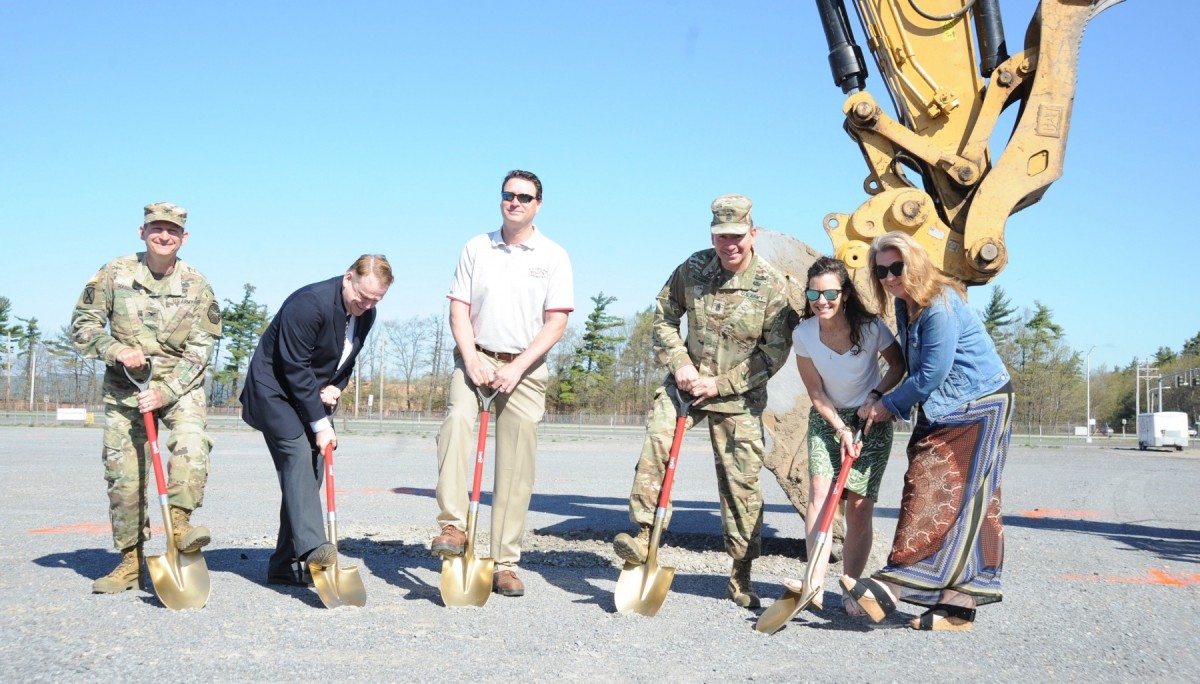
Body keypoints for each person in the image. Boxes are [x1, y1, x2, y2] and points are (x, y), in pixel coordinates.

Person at [612, 194, 794, 609]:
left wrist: (721, 385)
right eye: (721, 237)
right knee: (656, 446)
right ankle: (644, 536)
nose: (729, 245)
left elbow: (774, 353)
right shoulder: (692, 268)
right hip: (685, 385)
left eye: (736, 236)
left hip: (738, 395)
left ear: (753, 234)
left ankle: (741, 573)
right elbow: (664, 316)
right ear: (712, 236)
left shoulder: (772, 287)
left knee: (741, 483)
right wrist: (680, 364)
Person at [843, 231, 1014, 631]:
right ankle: (958, 606)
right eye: (881, 271)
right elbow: (914, 367)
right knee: (967, 501)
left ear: (916, 262)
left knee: (933, 487)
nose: (889, 277)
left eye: (896, 267)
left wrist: (888, 406)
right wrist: (879, 394)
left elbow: (933, 372)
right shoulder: (906, 304)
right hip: (948, 404)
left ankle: (893, 586)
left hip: (979, 403)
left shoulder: (939, 304)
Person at [430, 170, 574, 598]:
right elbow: (458, 310)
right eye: (509, 194)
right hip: (475, 356)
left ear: (538, 205)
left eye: (524, 197)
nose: (515, 202)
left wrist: (517, 367)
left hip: (524, 366)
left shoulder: (553, 255)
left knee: (516, 464)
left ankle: (504, 563)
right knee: (456, 422)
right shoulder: (477, 247)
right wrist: (472, 358)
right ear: (501, 199)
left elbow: (556, 322)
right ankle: (454, 527)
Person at [70, 201, 222, 593]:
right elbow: (83, 326)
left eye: (173, 230)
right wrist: (115, 349)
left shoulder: (197, 285)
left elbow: (201, 350)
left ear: (184, 237)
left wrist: (165, 391)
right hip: (126, 388)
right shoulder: (114, 273)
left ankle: (180, 525)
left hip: (179, 386)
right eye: (157, 228)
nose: (164, 236)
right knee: (124, 477)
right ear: (142, 232)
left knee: (192, 443)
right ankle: (129, 561)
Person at [241, 255, 393, 588]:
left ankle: (283, 564)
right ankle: (314, 549)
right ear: (348, 278)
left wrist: (337, 386)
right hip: (274, 392)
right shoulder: (309, 304)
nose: (367, 305)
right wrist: (321, 425)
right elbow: (294, 367)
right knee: (297, 454)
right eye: (363, 297)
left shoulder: (365, 314)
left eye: (376, 300)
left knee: (309, 475)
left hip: (310, 395)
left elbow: (346, 360)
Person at [782, 256, 904, 615]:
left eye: (830, 293)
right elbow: (816, 392)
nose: (822, 301)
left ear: (845, 294)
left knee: (859, 508)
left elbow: (898, 364)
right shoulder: (804, 335)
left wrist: (876, 396)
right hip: (828, 418)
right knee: (820, 493)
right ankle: (814, 584)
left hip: (870, 418)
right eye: (814, 294)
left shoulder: (871, 327)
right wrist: (839, 428)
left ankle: (851, 587)